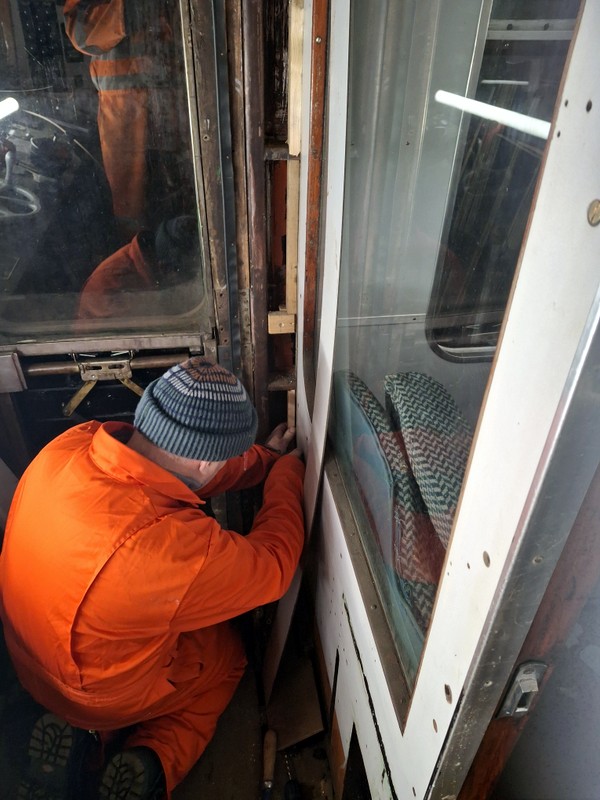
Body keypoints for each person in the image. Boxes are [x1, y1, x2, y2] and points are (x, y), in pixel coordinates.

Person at [0, 357, 305, 800]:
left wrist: (263, 460)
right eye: (230, 456)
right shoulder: (169, 549)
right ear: (206, 462)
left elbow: (168, 475)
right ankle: (152, 755)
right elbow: (274, 565)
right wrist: (286, 475)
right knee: (226, 658)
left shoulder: (70, 448)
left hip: (28, 662)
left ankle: (80, 736)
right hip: (94, 693)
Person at [63, 0, 190, 237]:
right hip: (125, 106)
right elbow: (80, 32)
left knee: (184, 195)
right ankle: (136, 260)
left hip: (177, 97)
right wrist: (136, 7)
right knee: (130, 206)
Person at [76, 215, 201, 323]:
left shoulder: (148, 259)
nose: (186, 284)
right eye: (188, 278)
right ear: (166, 269)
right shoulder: (113, 284)